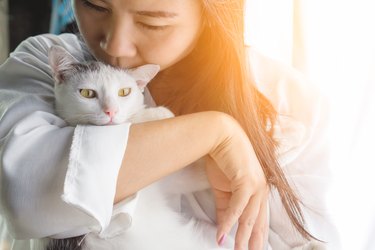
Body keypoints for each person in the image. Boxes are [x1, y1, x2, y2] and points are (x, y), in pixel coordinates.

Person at [0, 0, 339, 249]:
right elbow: (27, 194)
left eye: (152, 22)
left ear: (213, 11)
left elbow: (307, 240)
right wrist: (216, 132)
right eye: (95, 6)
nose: (115, 45)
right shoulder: (41, 60)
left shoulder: (290, 101)